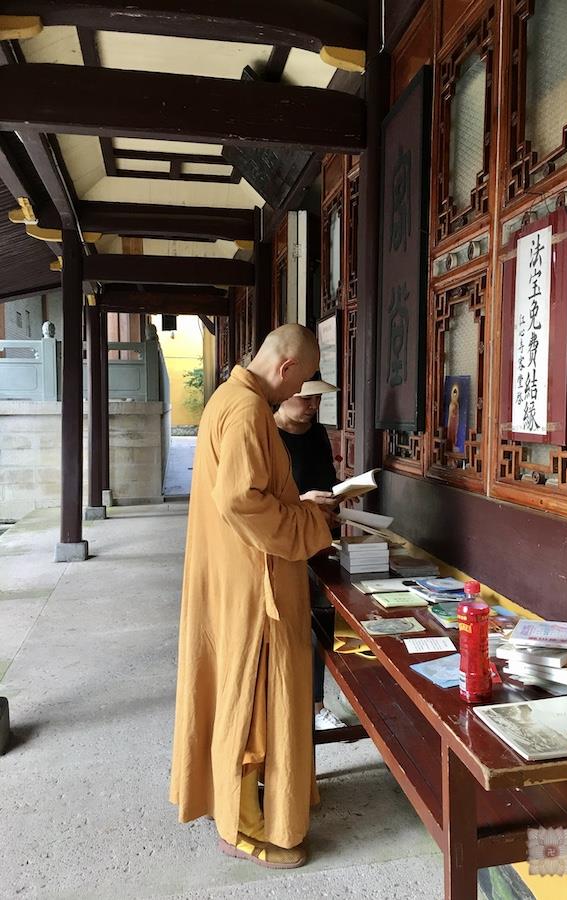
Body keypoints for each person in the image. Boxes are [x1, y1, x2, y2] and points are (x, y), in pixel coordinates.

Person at [170, 324, 333, 870]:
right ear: (286, 369)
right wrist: (310, 524)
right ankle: (242, 828)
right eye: (304, 382)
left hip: (238, 578)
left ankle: (251, 808)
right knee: (251, 705)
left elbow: (251, 494)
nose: (301, 396)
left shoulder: (232, 397)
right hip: (251, 589)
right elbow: (243, 503)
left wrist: (296, 507)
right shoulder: (246, 410)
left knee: (249, 699)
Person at [274, 373, 347, 732]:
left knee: (318, 620)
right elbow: (260, 501)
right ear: (286, 394)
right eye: (307, 399)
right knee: (288, 625)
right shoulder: (266, 435)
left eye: (318, 399)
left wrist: (341, 495)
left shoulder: (317, 434)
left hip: (319, 537)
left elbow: (327, 479)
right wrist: (301, 503)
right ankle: (282, 706)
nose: (314, 406)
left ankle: (316, 705)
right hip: (283, 542)